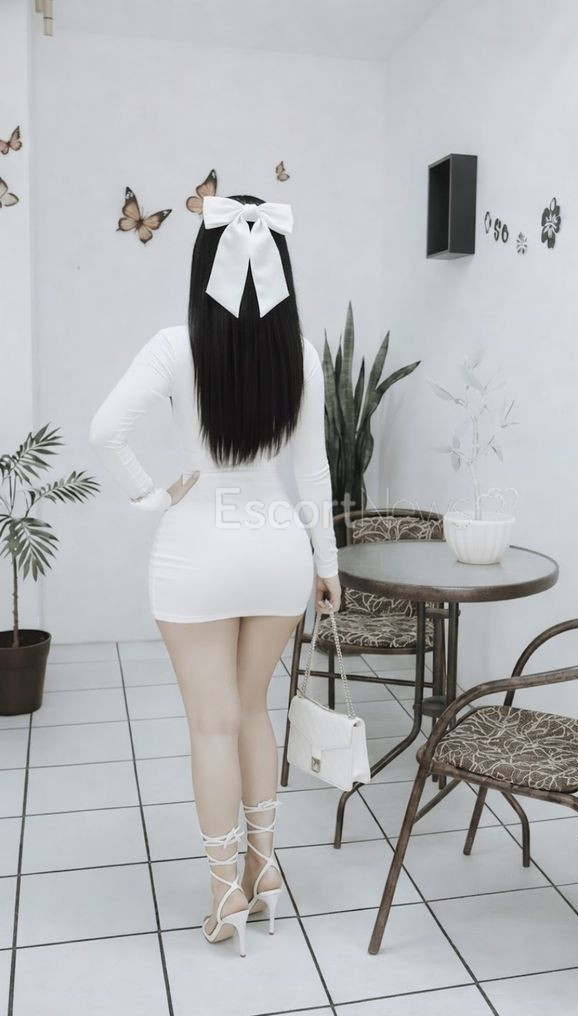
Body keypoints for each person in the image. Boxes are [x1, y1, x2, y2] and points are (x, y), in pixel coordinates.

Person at [88, 194, 341, 956]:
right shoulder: (300, 353)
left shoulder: (175, 346)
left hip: (196, 552)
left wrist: (153, 494)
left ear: (204, 264)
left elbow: (106, 430)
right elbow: (314, 472)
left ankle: (225, 889)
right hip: (277, 553)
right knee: (254, 711)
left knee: (212, 723)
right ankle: (266, 870)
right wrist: (326, 563)